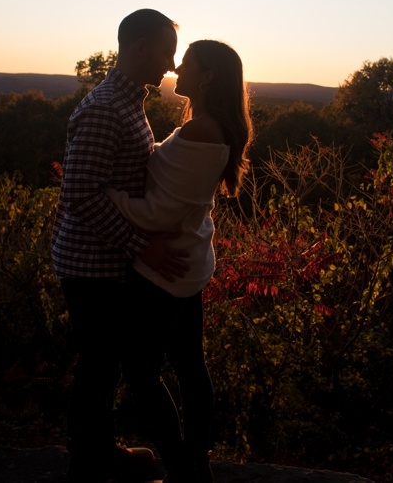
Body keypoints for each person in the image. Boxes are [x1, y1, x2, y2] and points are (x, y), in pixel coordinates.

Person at [51, 8, 190, 483]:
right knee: (98, 365)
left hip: (106, 261)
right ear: (140, 48)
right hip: (90, 264)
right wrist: (141, 246)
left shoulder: (128, 103)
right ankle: (90, 462)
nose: (171, 66)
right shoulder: (106, 107)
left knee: (103, 363)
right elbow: (79, 195)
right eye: (167, 53)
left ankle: (97, 454)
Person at [106, 39, 253, 483]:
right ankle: (197, 462)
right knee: (190, 364)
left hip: (165, 269)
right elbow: (180, 200)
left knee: (141, 370)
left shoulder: (203, 130)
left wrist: (111, 196)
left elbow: (162, 212)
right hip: (188, 259)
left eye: (185, 63)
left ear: (207, 76)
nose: (174, 70)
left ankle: (181, 466)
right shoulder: (203, 125)